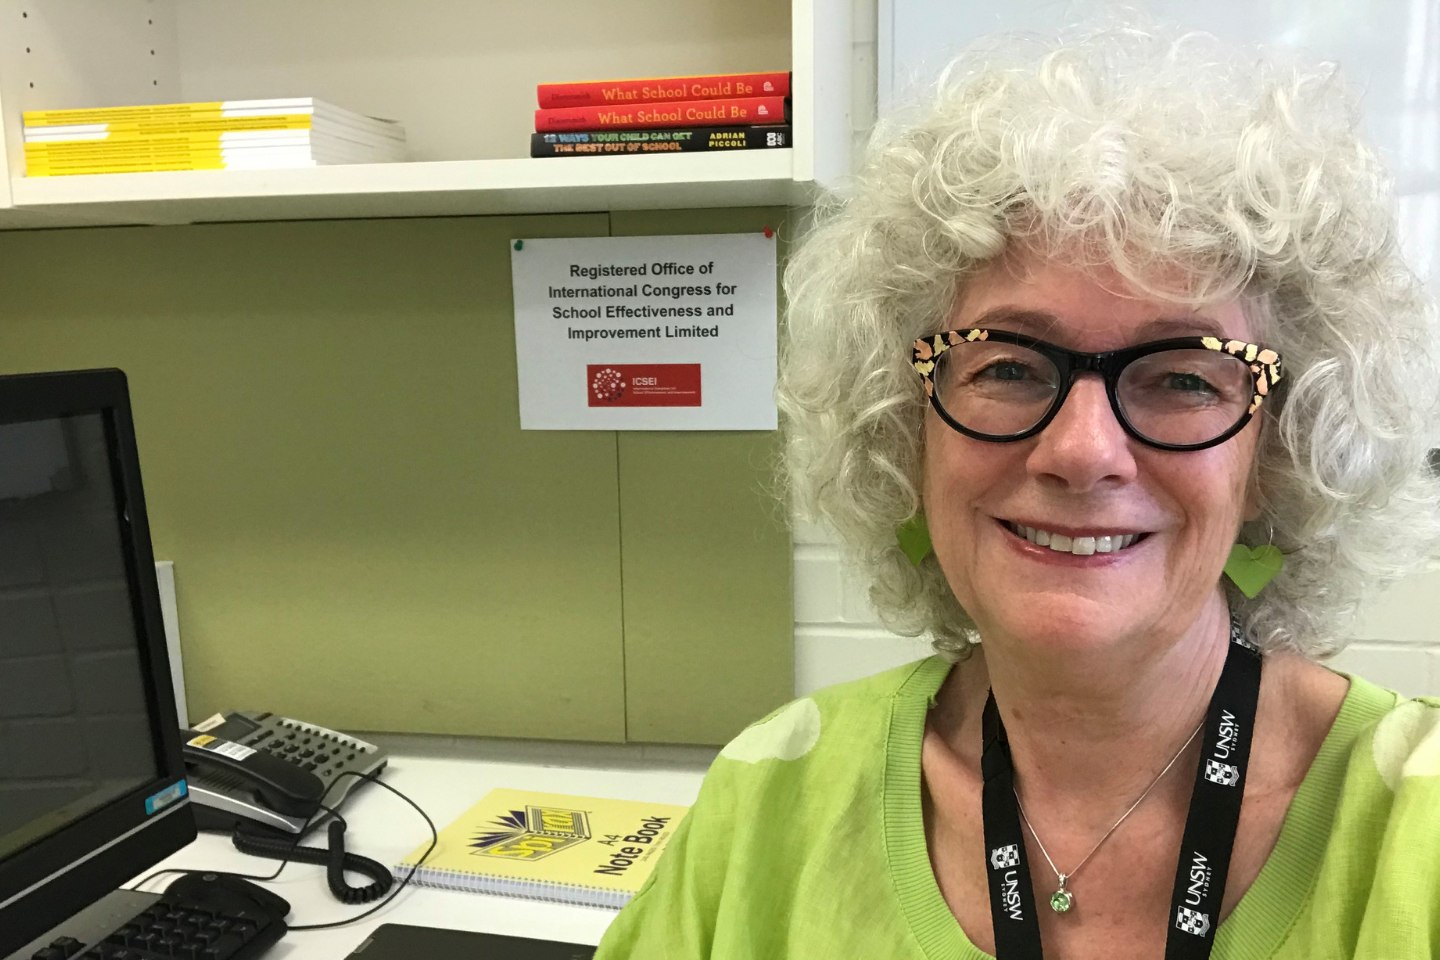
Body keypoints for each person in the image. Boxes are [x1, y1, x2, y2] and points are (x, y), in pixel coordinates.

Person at [593, 23, 1440, 960]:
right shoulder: (767, 802)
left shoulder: (1419, 832)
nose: (1082, 452)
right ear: (903, 430)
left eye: (1184, 377)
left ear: (1276, 456)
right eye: (1007, 367)